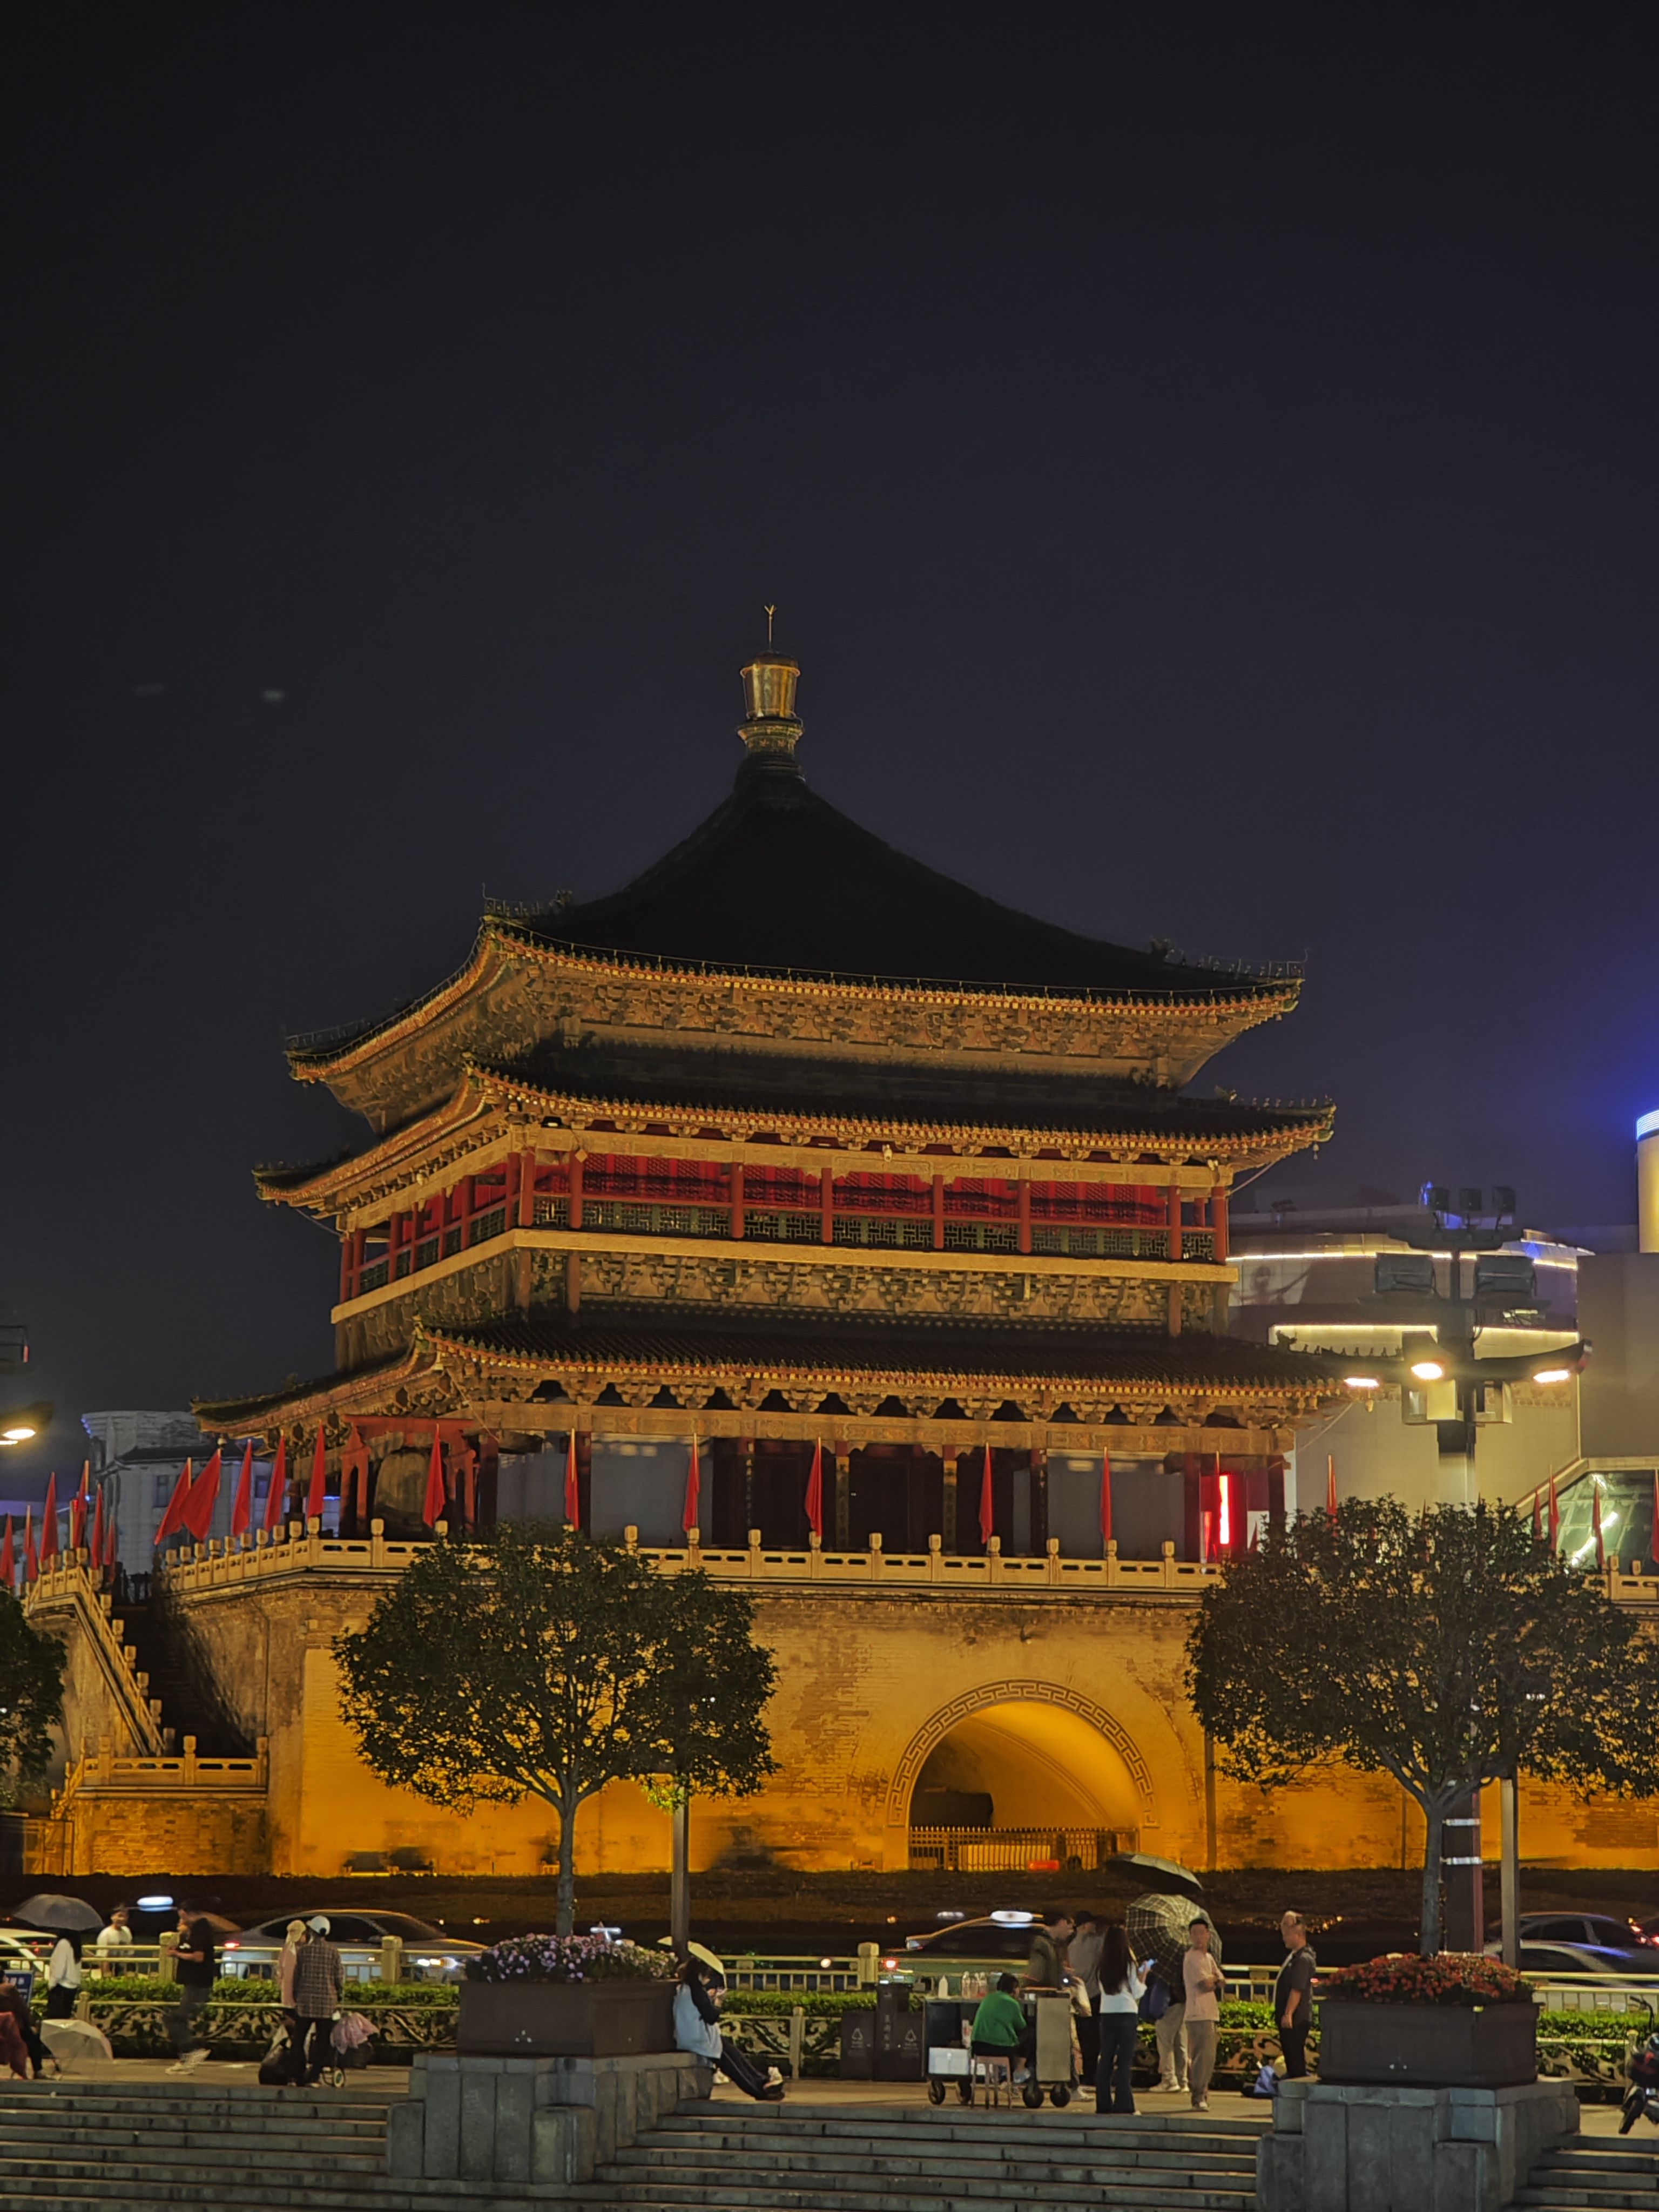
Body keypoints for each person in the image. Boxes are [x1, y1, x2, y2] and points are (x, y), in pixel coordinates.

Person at [673, 1957, 785, 2099]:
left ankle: (762, 2081)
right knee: (733, 2066)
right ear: (700, 1975)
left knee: (735, 2054)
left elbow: (700, 2009)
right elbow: (711, 2016)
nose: (708, 1979)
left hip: (695, 2037)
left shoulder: (685, 1989)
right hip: (701, 2040)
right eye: (707, 1976)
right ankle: (759, 2092)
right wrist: (718, 2002)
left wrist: (709, 1999)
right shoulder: (696, 1991)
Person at [1094, 1922, 1145, 2116]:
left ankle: (1103, 2103)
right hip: (1127, 2013)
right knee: (1124, 2060)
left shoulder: (1102, 1965)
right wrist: (1143, 1977)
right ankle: (1124, 2103)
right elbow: (1137, 1992)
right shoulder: (1128, 1964)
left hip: (1107, 2013)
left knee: (1106, 2058)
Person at [291, 1916, 345, 2083]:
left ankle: (298, 2074)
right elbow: (339, 1979)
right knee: (323, 2041)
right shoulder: (333, 1952)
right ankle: (314, 2075)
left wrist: (296, 1995)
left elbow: (297, 1977)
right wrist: (339, 1993)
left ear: (312, 1932)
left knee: (299, 2039)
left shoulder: (303, 1952)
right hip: (326, 2003)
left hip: (305, 2003)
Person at [167, 1906, 219, 2072]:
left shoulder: (201, 1929)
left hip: (198, 1984)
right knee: (177, 2019)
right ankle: (186, 2057)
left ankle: (192, 2051)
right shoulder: (191, 1932)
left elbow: (199, 1957)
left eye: (182, 1916)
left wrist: (177, 1955)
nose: (181, 1921)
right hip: (191, 1983)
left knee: (176, 2019)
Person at [1181, 1918, 1225, 2112]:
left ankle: (1203, 2094)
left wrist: (1214, 1979)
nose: (1198, 1937)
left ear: (1208, 1935)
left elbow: (1221, 1981)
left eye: (1202, 1933)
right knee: (1202, 2057)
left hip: (1210, 2013)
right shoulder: (1192, 1958)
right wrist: (1215, 1979)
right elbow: (1206, 1984)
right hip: (1198, 2014)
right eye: (1195, 1933)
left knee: (1209, 2057)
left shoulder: (1209, 1958)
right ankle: (1198, 2096)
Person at [970, 1970, 1035, 2083]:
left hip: (978, 2047)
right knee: (1030, 2033)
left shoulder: (988, 1998)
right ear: (1015, 1989)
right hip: (1000, 2049)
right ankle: (1019, 2070)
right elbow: (1022, 2026)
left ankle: (1002, 2072)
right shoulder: (1012, 2003)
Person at [1274, 1911, 1317, 2081]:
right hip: (1294, 2017)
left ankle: (1297, 2089)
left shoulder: (1303, 1959)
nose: (1284, 1938)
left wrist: (1288, 2013)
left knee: (1295, 2060)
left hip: (1296, 2019)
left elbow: (1297, 1989)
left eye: (1287, 1935)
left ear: (1298, 1935)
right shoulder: (1295, 1957)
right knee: (1292, 2058)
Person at [1067, 1911, 1104, 2090]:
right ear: (1084, 1925)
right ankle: (1091, 2074)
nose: (1095, 1926)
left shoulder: (1071, 1946)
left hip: (1078, 1997)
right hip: (1093, 1996)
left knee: (1083, 2037)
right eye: (1092, 1923)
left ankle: (1084, 2073)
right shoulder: (1094, 1943)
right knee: (1093, 2038)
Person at [0, 1983, 47, 2078]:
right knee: (34, 2040)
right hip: (14, 2028)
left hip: (4, 2029)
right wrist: (31, 2024)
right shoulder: (9, 1990)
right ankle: (38, 2071)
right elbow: (23, 2010)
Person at [1023, 1908, 1075, 1993]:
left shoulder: (1051, 1944)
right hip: (1044, 1995)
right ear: (1062, 1923)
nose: (1069, 1931)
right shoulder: (1043, 1945)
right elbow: (1036, 1976)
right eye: (1068, 1926)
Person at [44, 1931, 84, 2020]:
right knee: (65, 2018)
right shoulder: (76, 1944)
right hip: (72, 1987)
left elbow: (59, 1968)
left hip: (61, 1985)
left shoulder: (63, 1943)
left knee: (55, 2019)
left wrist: (52, 1984)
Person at [93, 1906, 132, 1974]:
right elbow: (103, 1957)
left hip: (123, 1968)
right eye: (120, 1916)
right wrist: (107, 1974)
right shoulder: (106, 1934)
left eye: (125, 1916)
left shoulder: (127, 1931)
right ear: (112, 1917)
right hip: (110, 1968)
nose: (122, 1919)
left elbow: (129, 1953)